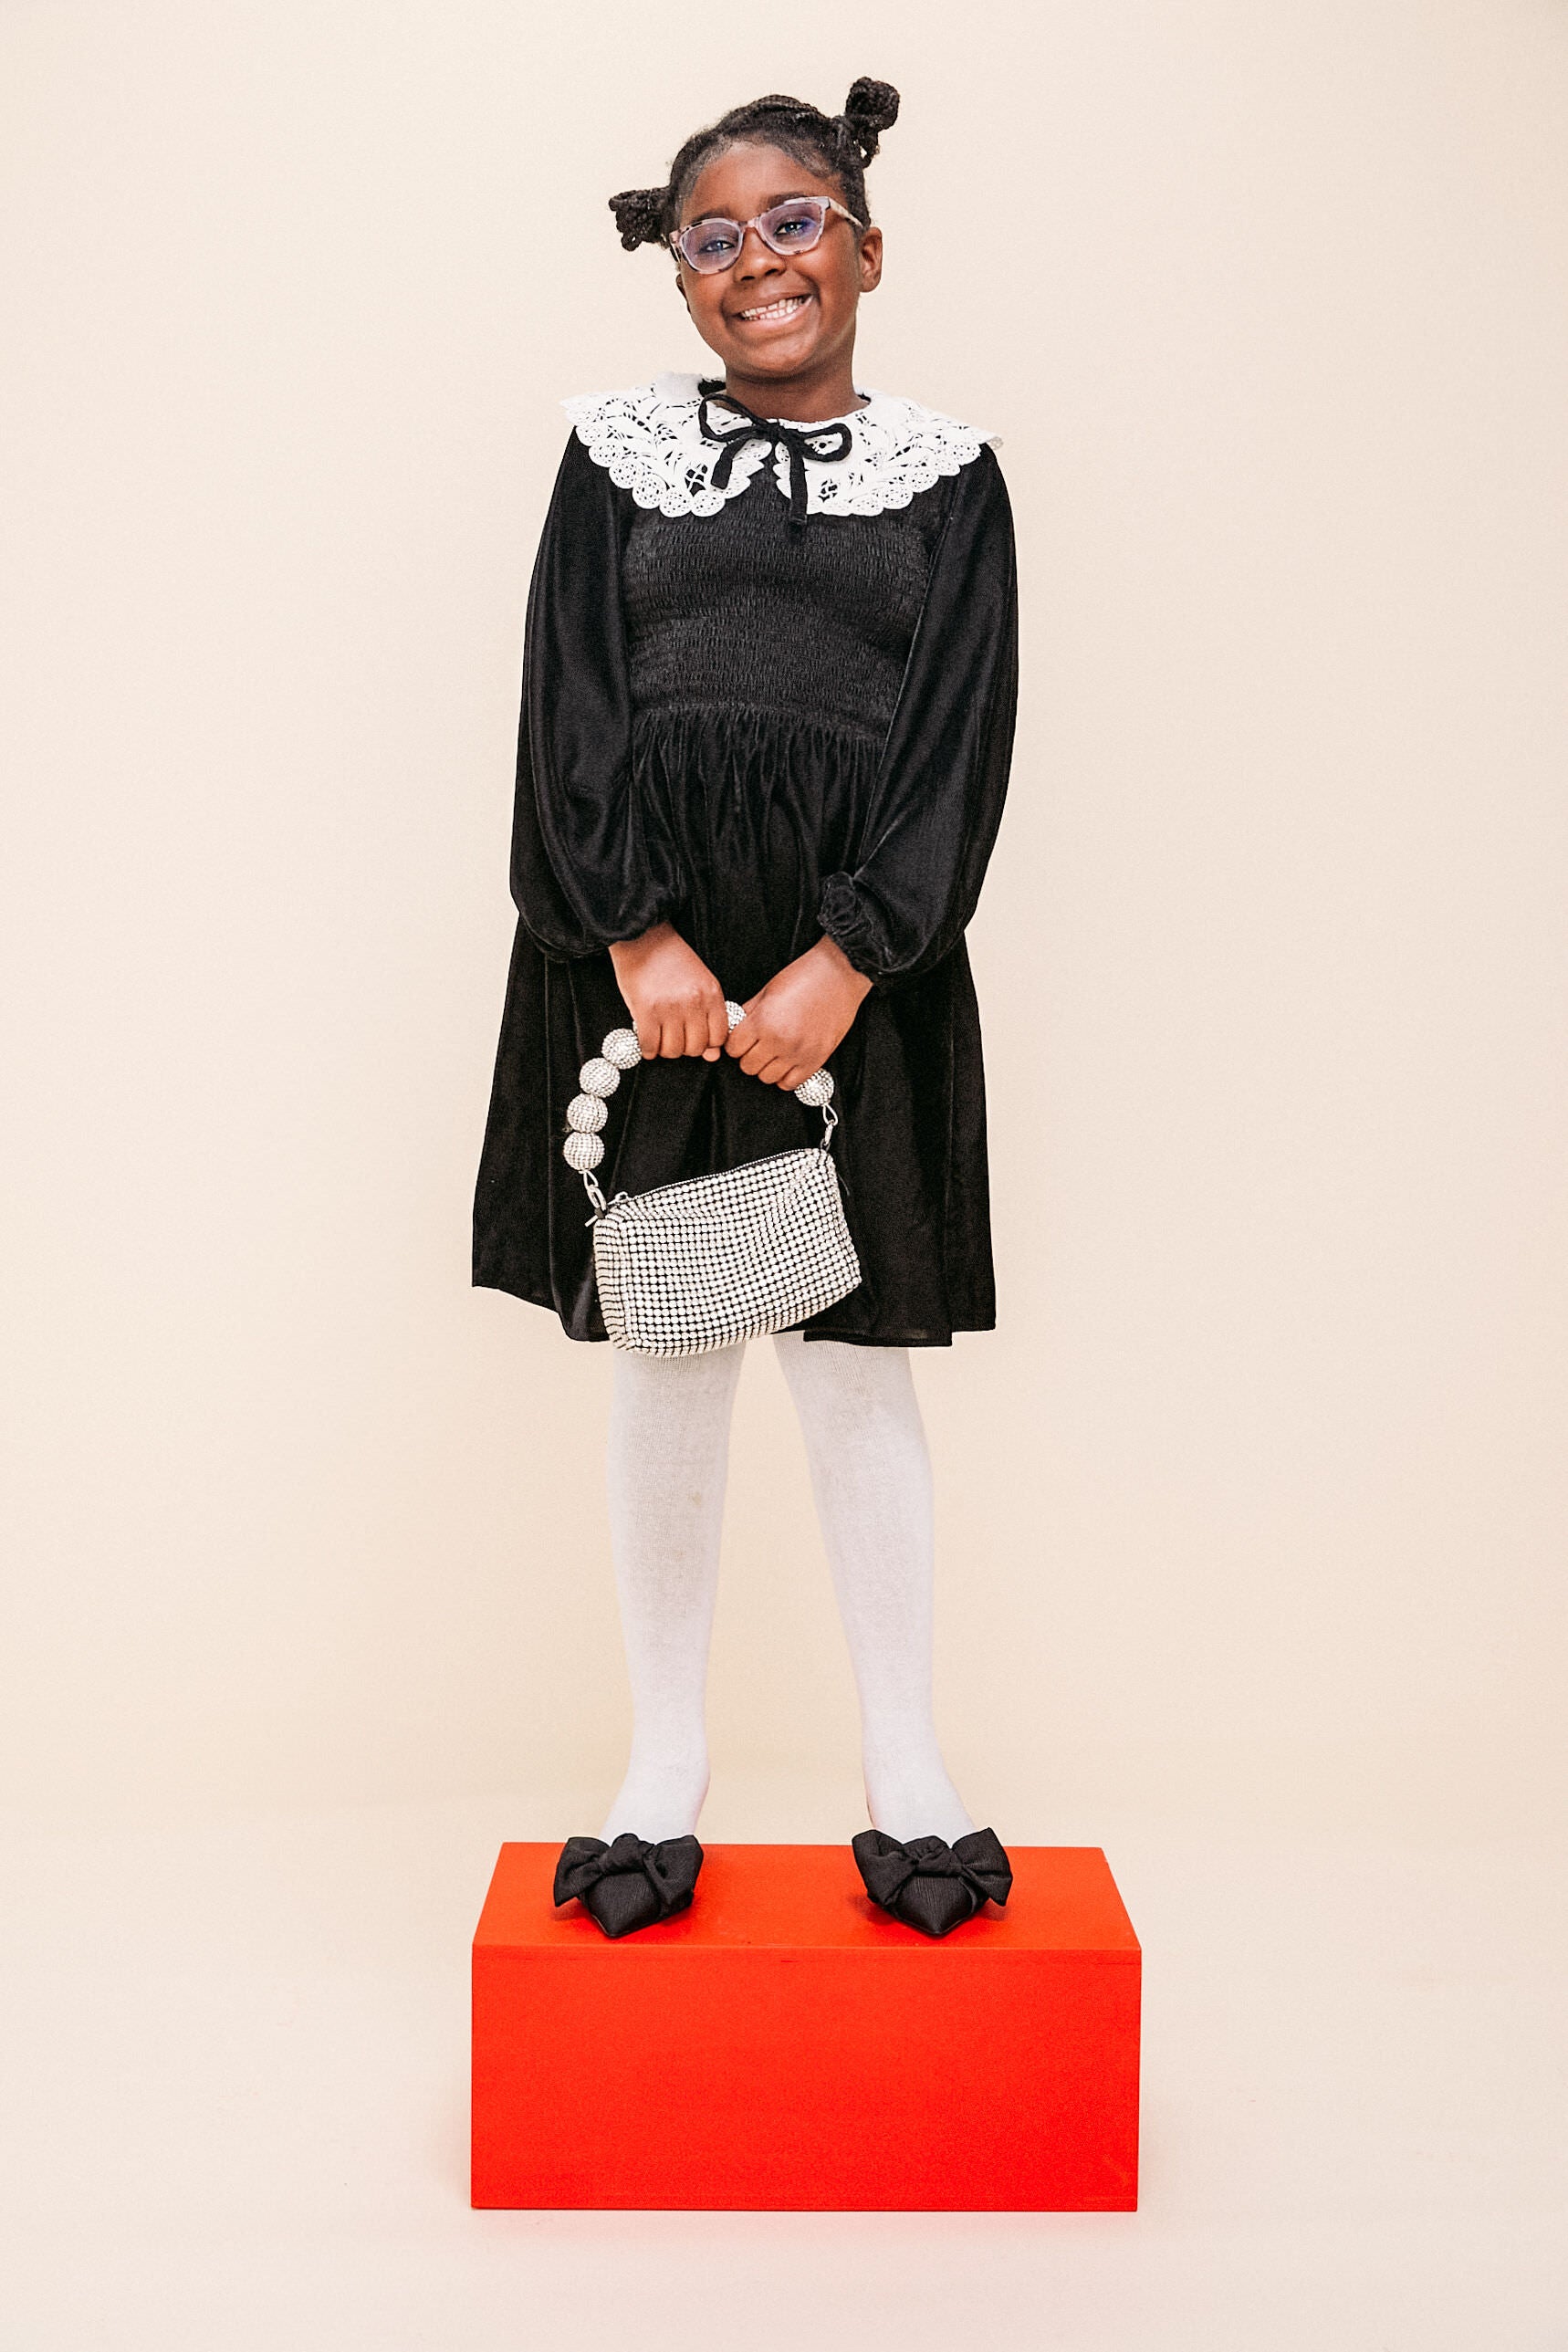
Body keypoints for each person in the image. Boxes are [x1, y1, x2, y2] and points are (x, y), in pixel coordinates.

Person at [473, 80, 1020, 1940]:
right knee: (672, 1340)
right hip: (652, 952)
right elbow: (565, 700)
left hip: (850, 966)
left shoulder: (949, 476)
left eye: (795, 223)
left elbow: (958, 740)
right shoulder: (610, 455)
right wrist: (634, 933)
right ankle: (664, 1759)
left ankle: (904, 1759)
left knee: (854, 1361)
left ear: (864, 249)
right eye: (714, 237)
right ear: (678, 273)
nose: (758, 262)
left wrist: (852, 956)